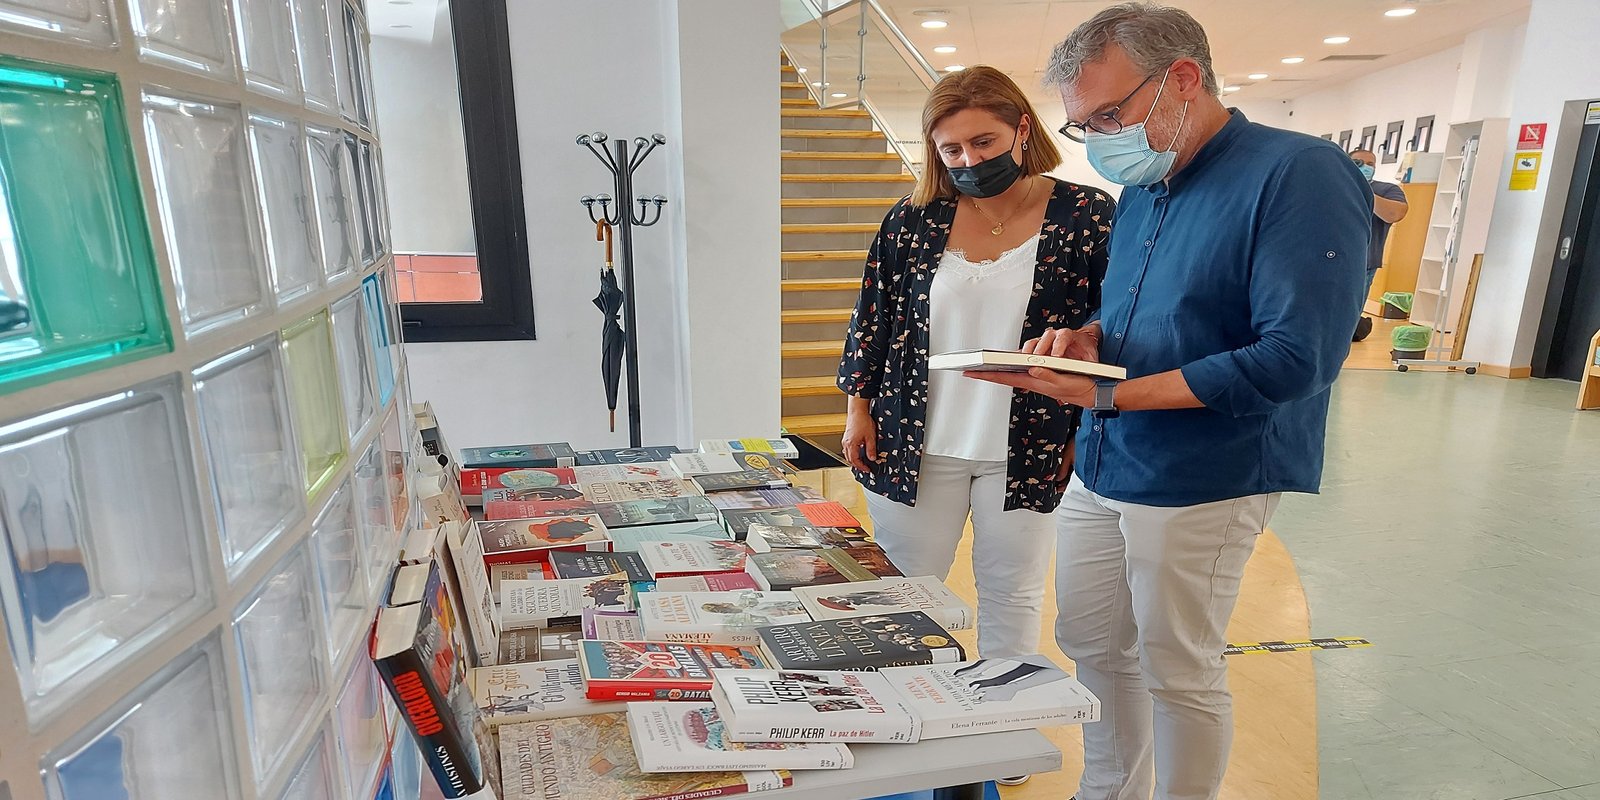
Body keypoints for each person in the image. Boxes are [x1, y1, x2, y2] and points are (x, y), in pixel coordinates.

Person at [967, 5, 1369, 800]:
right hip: (1112, 458)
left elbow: (1297, 357)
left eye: (1111, 113)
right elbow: (1146, 317)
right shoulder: (1149, 184)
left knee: (1178, 665)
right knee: (1092, 641)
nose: (1102, 137)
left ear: (1182, 79)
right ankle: (1108, 789)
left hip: (1207, 472)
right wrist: (1087, 339)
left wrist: (1110, 397)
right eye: (1085, 125)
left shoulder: (1298, 174)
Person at [835, 65, 1114, 663]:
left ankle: (1003, 740)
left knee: (1013, 595)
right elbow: (872, 320)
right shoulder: (911, 220)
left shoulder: (1085, 215)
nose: (968, 159)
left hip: (1031, 439)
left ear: (1020, 130)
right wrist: (858, 408)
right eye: (951, 148)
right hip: (914, 437)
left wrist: (1086, 431)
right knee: (907, 593)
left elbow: (1112, 328)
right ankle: (913, 721)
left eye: (983, 142)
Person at [1350, 148, 1409, 341]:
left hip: (1364, 262)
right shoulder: (1334, 185)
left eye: (1370, 164)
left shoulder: (1387, 190)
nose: (1365, 168)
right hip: (1327, 259)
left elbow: (1395, 214)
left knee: (1349, 314)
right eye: (1359, 163)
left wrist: (1362, 190)